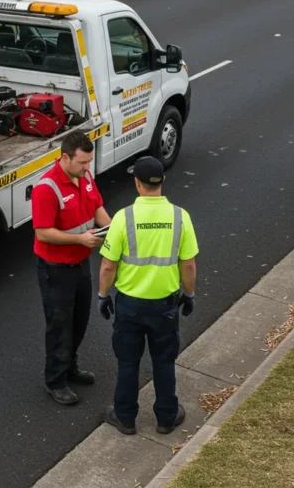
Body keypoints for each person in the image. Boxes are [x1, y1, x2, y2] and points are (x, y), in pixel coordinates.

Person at [96, 156, 198, 435]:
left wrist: (103, 296)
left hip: (129, 306)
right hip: (165, 306)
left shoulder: (123, 218)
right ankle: (166, 417)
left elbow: (108, 265)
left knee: (128, 362)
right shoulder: (180, 217)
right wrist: (188, 294)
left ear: (137, 184)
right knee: (163, 362)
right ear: (162, 181)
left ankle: (125, 417)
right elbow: (188, 264)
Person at [32, 130, 112, 405]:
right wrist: (80, 238)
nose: (87, 168)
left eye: (89, 162)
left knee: (78, 320)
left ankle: (70, 366)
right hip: (56, 270)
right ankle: (55, 379)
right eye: (82, 163)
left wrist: (111, 230)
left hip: (80, 264)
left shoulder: (85, 177)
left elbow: (97, 208)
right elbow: (43, 232)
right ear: (65, 157)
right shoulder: (47, 188)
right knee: (59, 324)